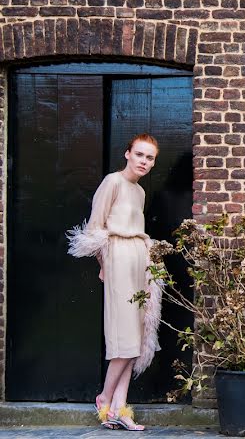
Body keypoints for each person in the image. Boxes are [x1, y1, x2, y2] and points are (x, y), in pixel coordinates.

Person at [67, 134, 165, 432]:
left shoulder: (139, 193)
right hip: (119, 258)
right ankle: (105, 398)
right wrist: (105, 266)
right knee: (123, 338)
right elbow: (96, 230)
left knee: (136, 339)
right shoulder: (112, 182)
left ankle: (120, 408)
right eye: (139, 155)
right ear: (127, 154)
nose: (144, 162)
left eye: (149, 158)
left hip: (140, 259)